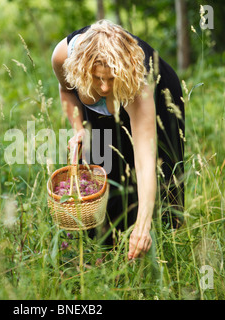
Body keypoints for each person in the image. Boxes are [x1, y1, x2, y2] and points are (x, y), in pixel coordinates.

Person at [51, 20, 185, 260]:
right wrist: (78, 128)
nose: (103, 88)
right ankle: (106, 250)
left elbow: (145, 160)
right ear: (82, 68)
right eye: (97, 78)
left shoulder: (139, 82)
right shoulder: (64, 55)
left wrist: (143, 227)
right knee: (103, 165)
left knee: (163, 176)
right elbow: (66, 91)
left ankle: (161, 245)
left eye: (110, 79)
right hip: (101, 93)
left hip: (160, 96)